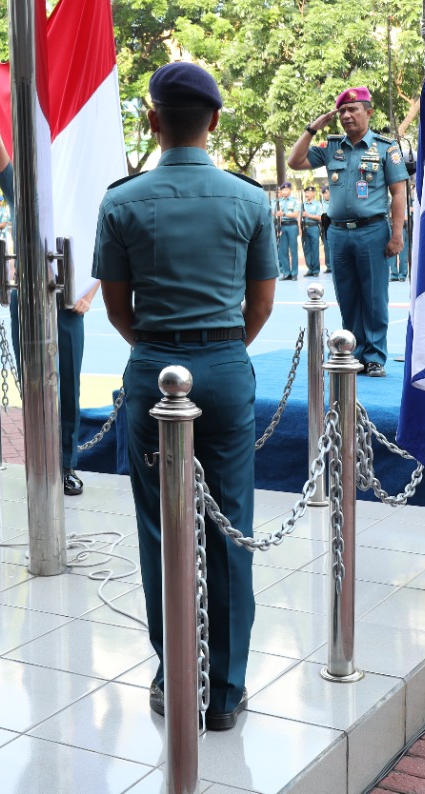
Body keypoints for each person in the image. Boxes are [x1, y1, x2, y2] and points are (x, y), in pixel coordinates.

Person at [92, 61, 276, 731]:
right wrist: (219, 349)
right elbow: (260, 306)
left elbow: (117, 309)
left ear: (152, 121)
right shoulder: (249, 199)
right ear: (216, 120)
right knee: (229, 527)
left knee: (160, 528)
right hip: (226, 365)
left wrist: (164, 347)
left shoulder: (121, 201)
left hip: (154, 369)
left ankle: (175, 676)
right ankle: (223, 692)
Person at [0, 64, 98, 496]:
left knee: (68, 389)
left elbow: (100, 245)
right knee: (34, 388)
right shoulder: (19, 185)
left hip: (67, 303)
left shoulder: (79, 191)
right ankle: (40, 463)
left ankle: (65, 463)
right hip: (30, 302)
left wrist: (89, 289)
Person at [287, 86, 409, 377]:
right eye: (342, 110)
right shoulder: (332, 148)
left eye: (353, 109)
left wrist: (397, 234)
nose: (346, 115)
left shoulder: (385, 148)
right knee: (347, 296)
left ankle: (375, 356)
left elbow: (399, 191)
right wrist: (312, 128)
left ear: (368, 112)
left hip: (373, 231)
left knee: (375, 297)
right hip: (339, 233)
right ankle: (353, 352)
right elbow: (295, 161)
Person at [273, 182, 301, 280]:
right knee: (283, 251)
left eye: (286, 189)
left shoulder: (295, 201)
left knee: (293, 250)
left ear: (290, 190)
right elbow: (275, 213)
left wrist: (283, 213)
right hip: (283, 226)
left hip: (292, 226)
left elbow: (296, 214)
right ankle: (286, 273)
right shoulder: (279, 201)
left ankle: (294, 273)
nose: (284, 191)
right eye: (283, 190)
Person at [300, 185, 323, 277]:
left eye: (309, 192)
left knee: (315, 249)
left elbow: (320, 217)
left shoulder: (317, 204)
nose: (307, 194)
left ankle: (316, 270)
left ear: (313, 193)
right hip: (305, 228)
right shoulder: (303, 205)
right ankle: (310, 268)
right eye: (306, 192)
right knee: (307, 249)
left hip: (314, 227)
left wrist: (308, 215)